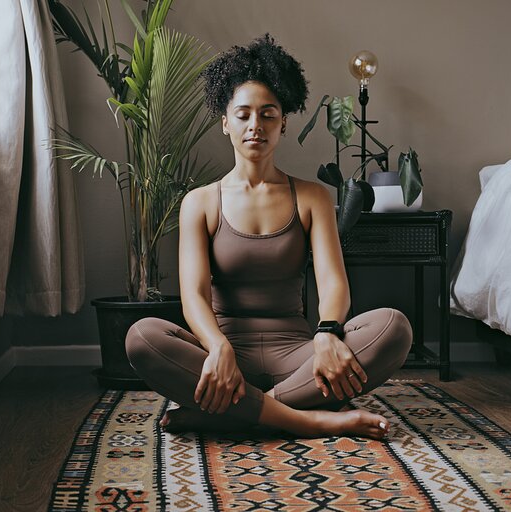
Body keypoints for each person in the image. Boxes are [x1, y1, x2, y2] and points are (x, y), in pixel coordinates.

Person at [126, 34, 412, 439]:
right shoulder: (200, 202)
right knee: (141, 337)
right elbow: (192, 296)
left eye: (268, 114)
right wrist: (219, 348)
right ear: (225, 122)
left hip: (300, 356)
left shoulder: (312, 196)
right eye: (243, 115)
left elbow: (333, 283)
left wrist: (328, 334)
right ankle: (313, 418)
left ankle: (230, 414)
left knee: (393, 328)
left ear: (283, 123)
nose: (255, 126)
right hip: (225, 356)